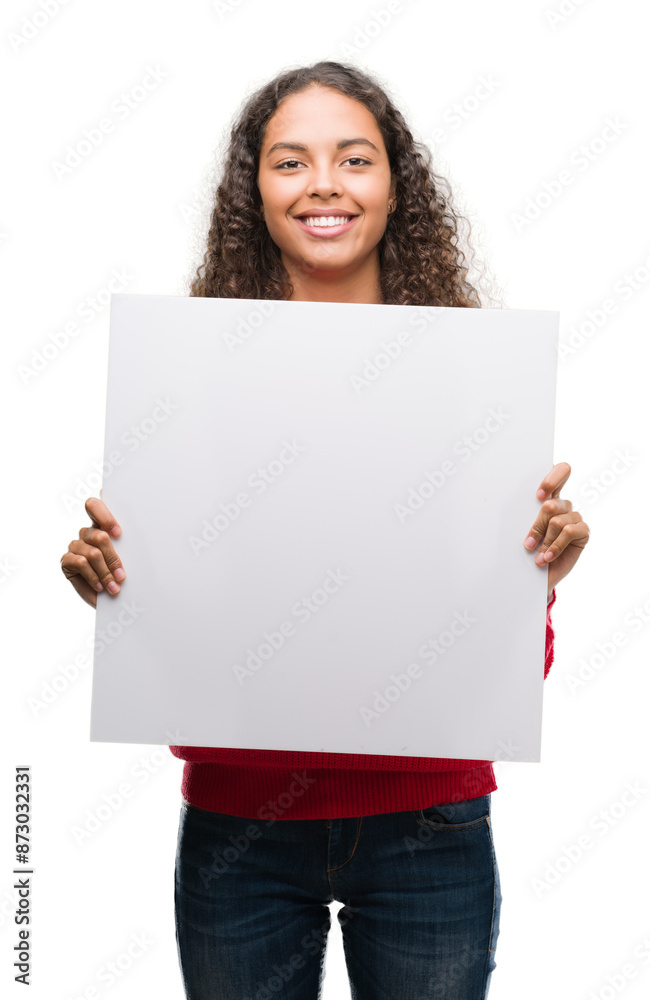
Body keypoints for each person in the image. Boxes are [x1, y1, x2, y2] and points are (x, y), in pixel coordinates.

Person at [61, 61, 590, 1000]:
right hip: (240, 830)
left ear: (395, 184)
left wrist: (535, 583)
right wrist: (116, 586)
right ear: (253, 190)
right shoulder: (189, 381)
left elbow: (504, 671)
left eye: (355, 158)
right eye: (289, 161)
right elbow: (196, 630)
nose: (324, 186)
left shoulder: (476, 383)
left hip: (430, 821)